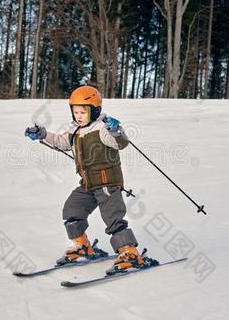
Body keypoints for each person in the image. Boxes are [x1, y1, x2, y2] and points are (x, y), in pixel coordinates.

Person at [25, 85, 148, 275]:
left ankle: (130, 252)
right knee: (72, 210)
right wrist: (43, 134)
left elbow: (120, 143)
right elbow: (60, 142)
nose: (79, 115)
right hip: (88, 184)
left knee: (113, 219)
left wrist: (116, 130)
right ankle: (81, 245)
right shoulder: (76, 131)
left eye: (83, 111)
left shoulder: (102, 129)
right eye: (75, 112)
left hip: (107, 183)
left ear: (95, 110)